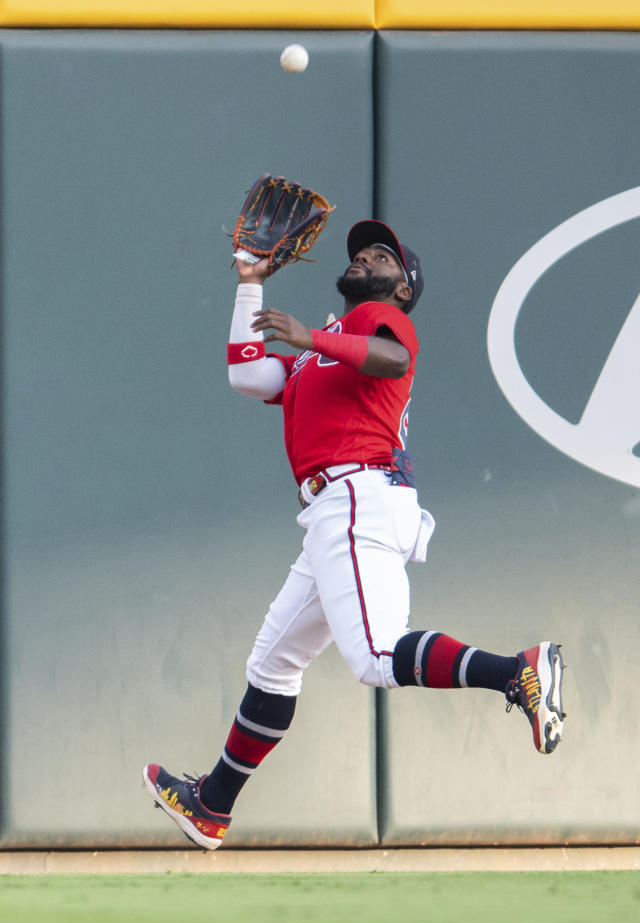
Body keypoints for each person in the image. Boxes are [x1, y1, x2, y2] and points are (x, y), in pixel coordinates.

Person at [143, 219, 565, 850]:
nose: (366, 256)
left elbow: (394, 358)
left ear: (403, 290)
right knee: (272, 664)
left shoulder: (377, 325)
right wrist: (249, 287)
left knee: (375, 657)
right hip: (331, 513)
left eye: (383, 257)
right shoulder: (320, 352)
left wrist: (309, 334)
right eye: (363, 251)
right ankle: (212, 806)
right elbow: (248, 375)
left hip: (358, 496)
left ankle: (518, 671)